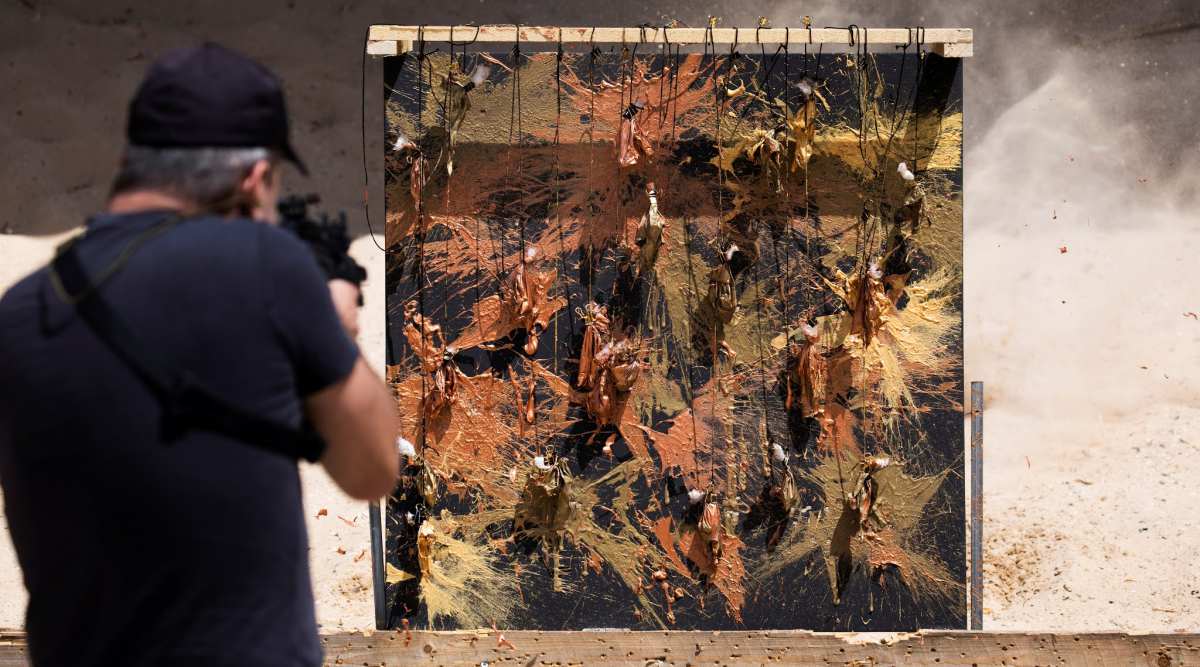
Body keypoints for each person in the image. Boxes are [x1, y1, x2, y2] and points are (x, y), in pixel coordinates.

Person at [0, 43, 398, 666]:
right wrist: (336, 325)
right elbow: (372, 470)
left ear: (128, 163)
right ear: (255, 179)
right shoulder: (267, 265)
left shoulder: (22, 310)